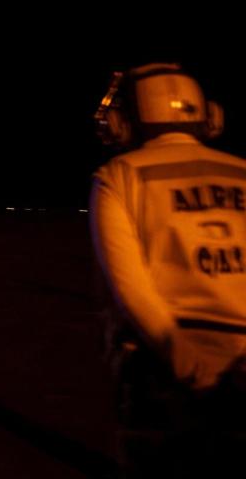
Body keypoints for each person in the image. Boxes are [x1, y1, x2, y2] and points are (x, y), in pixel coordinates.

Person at [91, 62, 246, 475]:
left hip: (163, 374)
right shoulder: (241, 173)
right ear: (207, 113)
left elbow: (132, 291)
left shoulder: (119, 176)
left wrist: (195, 369)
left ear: (127, 120)